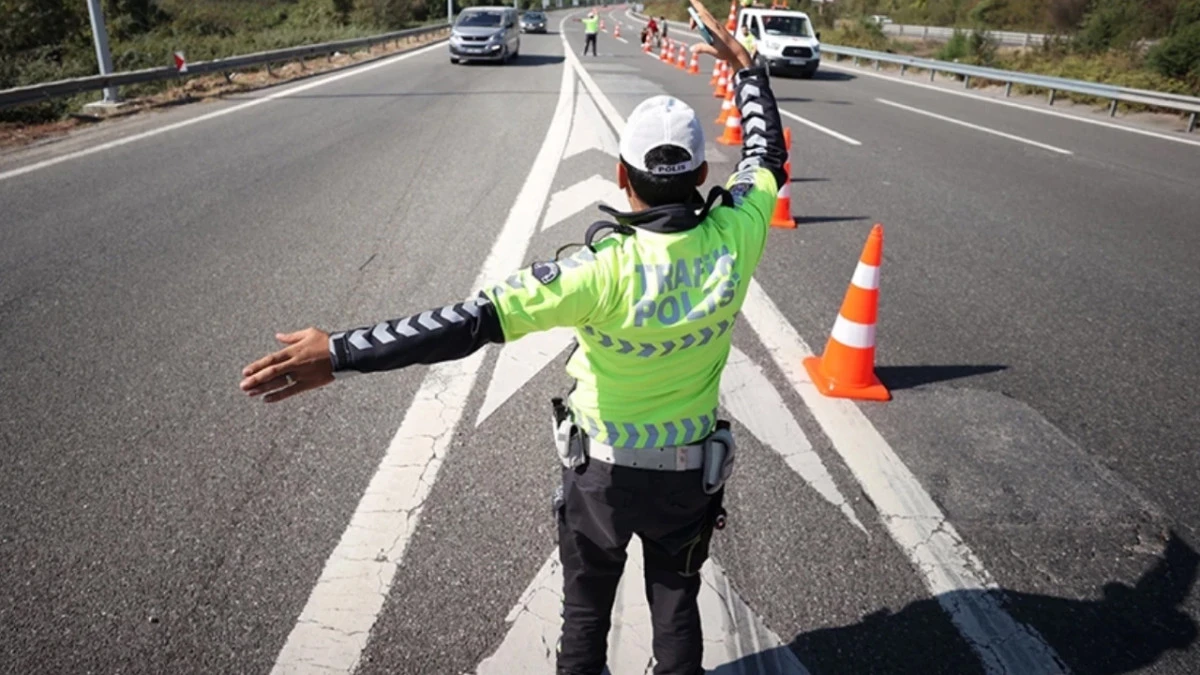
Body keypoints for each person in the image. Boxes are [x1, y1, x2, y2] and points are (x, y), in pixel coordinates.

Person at [237, 0, 787, 672]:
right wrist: (750, 74)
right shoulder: (740, 231)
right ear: (704, 176)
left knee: (585, 618)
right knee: (676, 606)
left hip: (602, 477)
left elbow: (463, 323)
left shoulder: (596, 272)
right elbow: (766, 156)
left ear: (622, 175)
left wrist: (340, 351)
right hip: (687, 475)